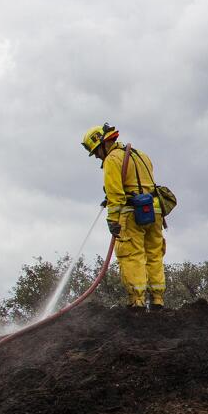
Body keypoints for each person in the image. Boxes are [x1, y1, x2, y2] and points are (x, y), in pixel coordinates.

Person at [81, 124, 166, 311]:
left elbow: (116, 195)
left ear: (103, 144)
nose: (96, 156)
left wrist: (112, 220)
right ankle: (157, 300)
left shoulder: (112, 159)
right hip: (154, 211)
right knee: (154, 254)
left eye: (96, 151)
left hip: (131, 213)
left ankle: (137, 302)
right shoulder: (141, 155)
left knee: (131, 255)